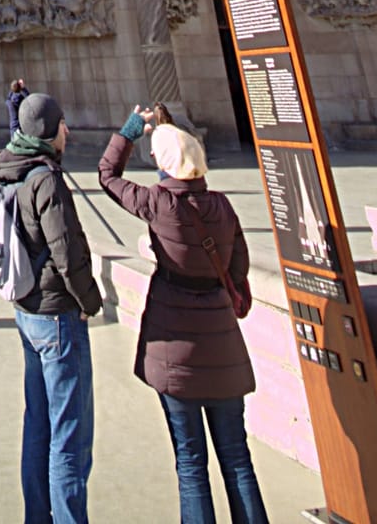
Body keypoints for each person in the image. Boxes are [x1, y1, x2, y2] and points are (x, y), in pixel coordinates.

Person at [99, 106, 267, 524]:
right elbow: (239, 270)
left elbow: (108, 176)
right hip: (222, 346)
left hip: (175, 350)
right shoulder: (224, 208)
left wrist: (131, 130)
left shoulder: (160, 205)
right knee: (238, 459)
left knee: (191, 465)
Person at [0, 91, 102, 524]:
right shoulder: (45, 178)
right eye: (62, 124)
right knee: (69, 434)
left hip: (27, 308)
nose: (67, 131)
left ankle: (38, 515)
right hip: (56, 313)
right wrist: (89, 300)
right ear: (49, 130)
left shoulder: (9, 172)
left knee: (38, 422)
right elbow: (66, 250)